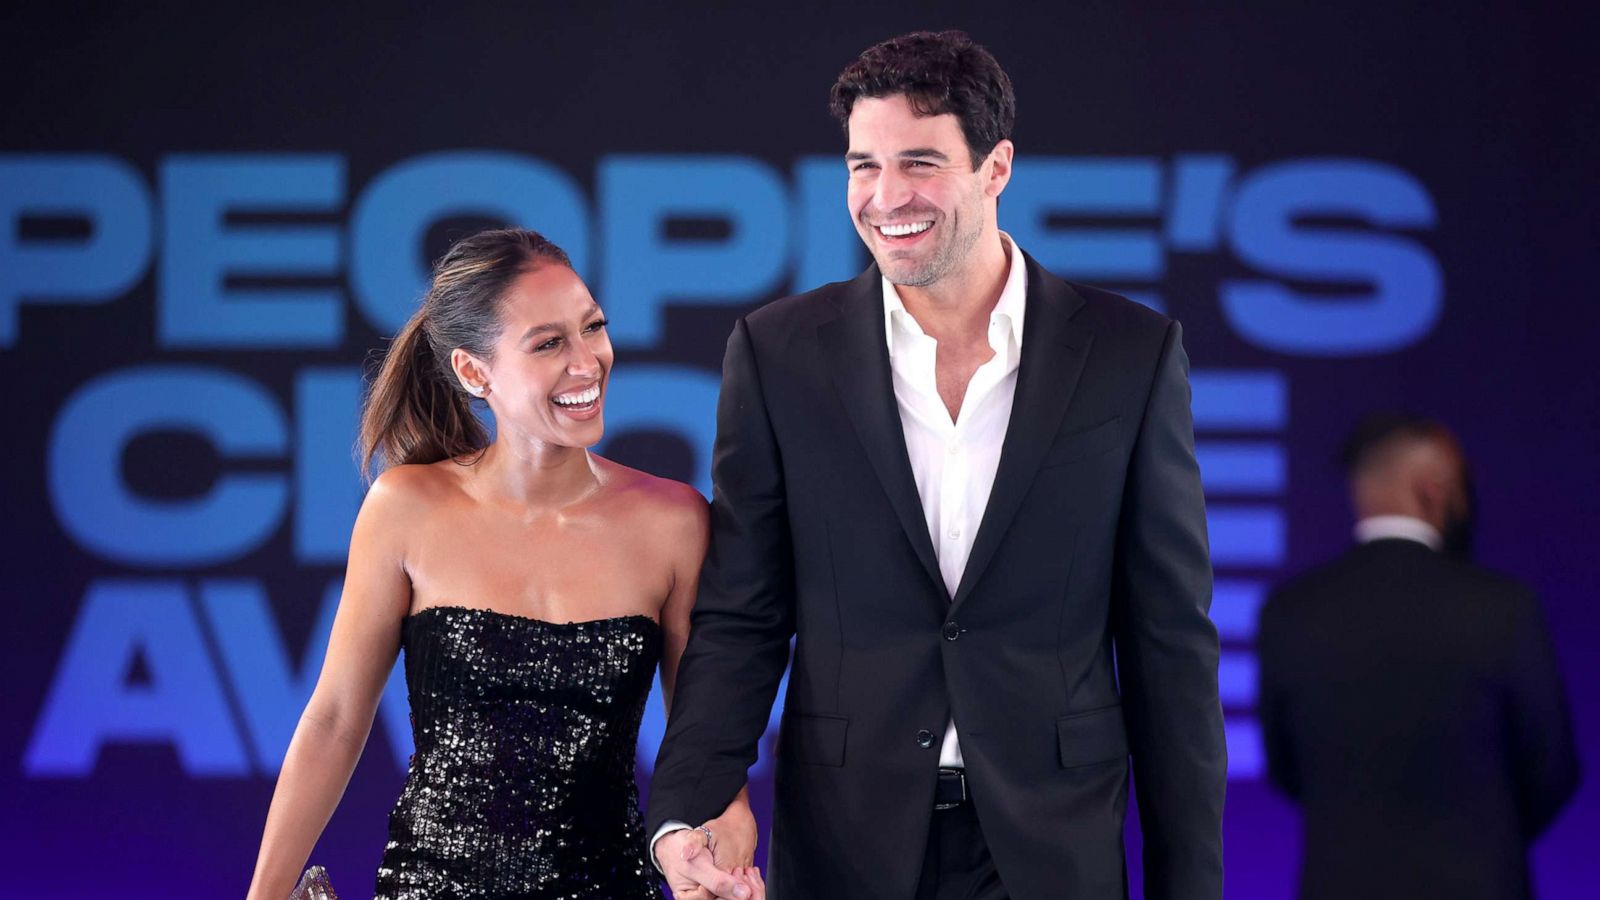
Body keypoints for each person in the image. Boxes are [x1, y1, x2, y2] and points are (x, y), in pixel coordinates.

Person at [649, 31, 1225, 900]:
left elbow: (1168, 644)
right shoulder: (777, 353)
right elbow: (742, 615)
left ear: (996, 167)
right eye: (862, 166)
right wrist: (687, 806)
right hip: (848, 843)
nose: (885, 198)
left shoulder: (1129, 355)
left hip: (1051, 846)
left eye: (919, 162)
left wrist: (1191, 885)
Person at [244, 229, 762, 900]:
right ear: (472, 372)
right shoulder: (406, 507)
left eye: (593, 329)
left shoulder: (675, 522)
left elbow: (704, 736)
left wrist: (713, 843)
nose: (587, 362)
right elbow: (336, 719)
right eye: (549, 344)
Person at [1256, 414, 1580, 900]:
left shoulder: (1291, 611)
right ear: (1435, 488)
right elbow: (1553, 767)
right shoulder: (1502, 607)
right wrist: (1486, 843)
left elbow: (1284, 768)